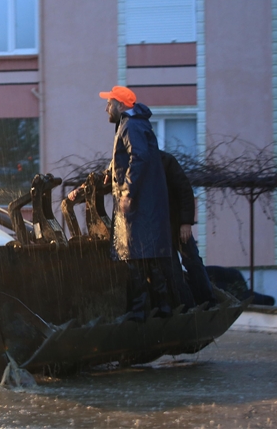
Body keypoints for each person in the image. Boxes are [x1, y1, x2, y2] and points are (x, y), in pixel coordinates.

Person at [71, 86, 174, 321]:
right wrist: (110, 172)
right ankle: (163, 309)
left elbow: (139, 157)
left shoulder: (131, 126)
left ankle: (137, 313)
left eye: (109, 103)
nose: (106, 107)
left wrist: (127, 192)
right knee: (146, 258)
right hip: (146, 205)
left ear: (119, 105)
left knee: (133, 257)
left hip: (137, 206)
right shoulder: (135, 124)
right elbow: (127, 157)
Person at [159, 150, 217, 308]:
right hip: (159, 231)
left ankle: (207, 302)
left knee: (192, 262)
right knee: (173, 272)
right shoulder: (137, 164)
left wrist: (185, 223)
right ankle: (187, 307)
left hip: (176, 225)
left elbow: (184, 190)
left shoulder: (166, 161)